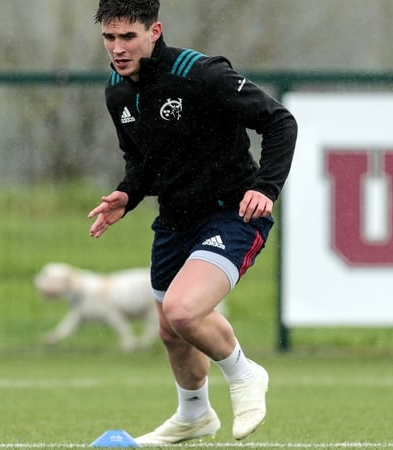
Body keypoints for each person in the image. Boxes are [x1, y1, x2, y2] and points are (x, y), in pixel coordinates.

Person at [88, 0, 297, 445]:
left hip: (234, 212)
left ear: (155, 31)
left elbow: (280, 121)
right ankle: (194, 414)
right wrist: (128, 193)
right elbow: (142, 159)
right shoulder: (118, 89)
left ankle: (245, 374)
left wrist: (266, 187)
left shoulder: (200, 74)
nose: (118, 48)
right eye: (110, 37)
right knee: (171, 330)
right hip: (174, 220)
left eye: (128, 37)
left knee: (184, 311)